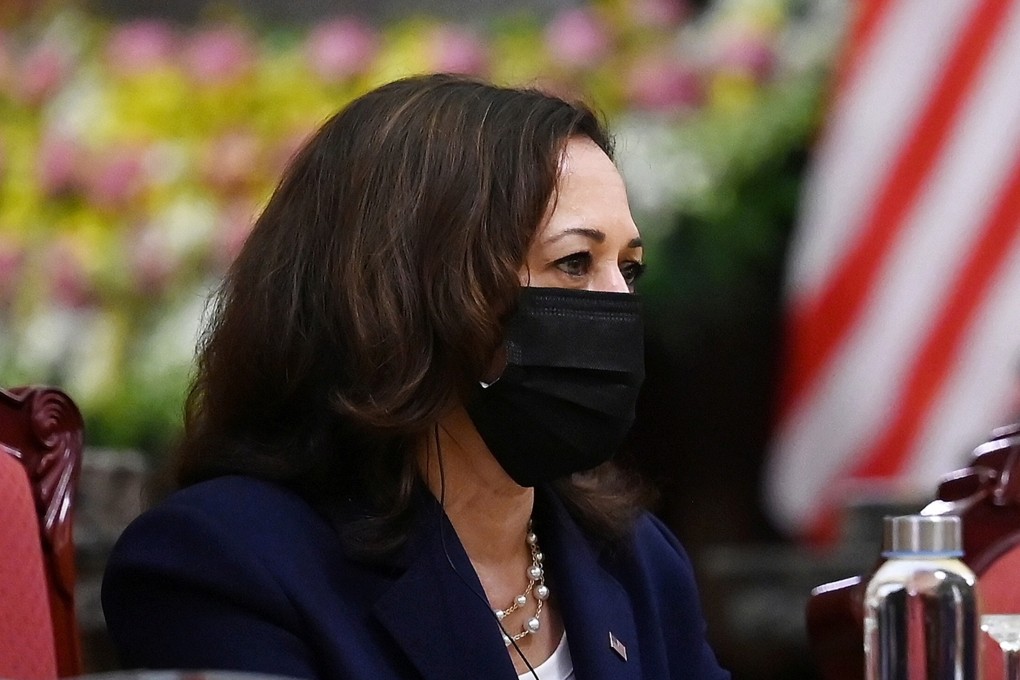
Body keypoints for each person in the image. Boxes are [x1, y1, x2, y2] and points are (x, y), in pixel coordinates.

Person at [101, 73, 730, 680]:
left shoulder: (638, 561)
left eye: (629, 267)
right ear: (407, 290)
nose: (617, 303)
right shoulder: (227, 563)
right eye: (573, 262)